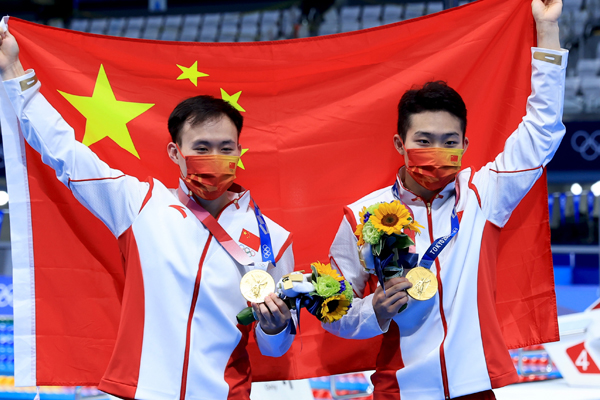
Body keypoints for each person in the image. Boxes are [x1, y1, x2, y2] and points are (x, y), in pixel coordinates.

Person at [0, 22, 295, 400]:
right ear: (175, 152)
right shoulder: (139, 204)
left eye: (226, 148)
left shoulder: (273, 239)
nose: (214, 158)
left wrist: (275, 327)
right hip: (140, 392)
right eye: (201, 148)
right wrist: (12, 69)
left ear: (239, 152)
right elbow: (65, 152)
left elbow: (276, 349)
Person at [323, 0, 567, 399]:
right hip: (399, 390)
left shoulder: (484, 194)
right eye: (423, 141)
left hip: (474, 387)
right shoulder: (360, 215)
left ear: (465, 145)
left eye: (449, 142)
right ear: (400, 144)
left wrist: (548, 31)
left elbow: (542, 131)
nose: (436, 152)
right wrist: (374, 311)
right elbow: (334, 311)